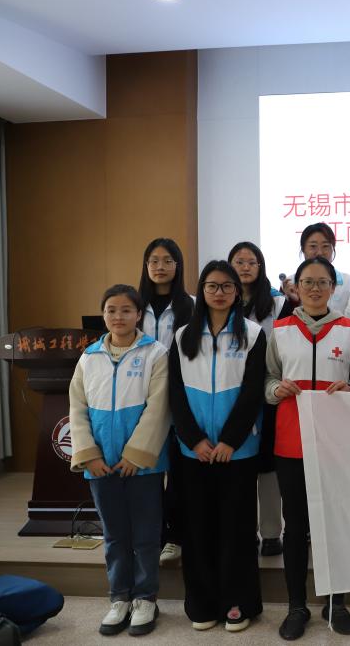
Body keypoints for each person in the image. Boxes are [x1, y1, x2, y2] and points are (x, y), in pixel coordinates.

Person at [265, 256, 350, 640]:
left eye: (322, 282)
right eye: (307, 281)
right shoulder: (280, 330)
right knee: (295, 527)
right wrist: (276, 389)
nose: (314, 288)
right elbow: (268, 379)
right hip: (291, 442)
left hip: (336, 442)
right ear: (296, 286)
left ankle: (336, 603)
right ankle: (297, 606)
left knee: (334, 525)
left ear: (332, 287)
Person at [168, 261, 266, 632]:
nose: (219, 292)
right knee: (197, 527)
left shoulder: (253, 334)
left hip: (237, 451)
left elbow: (253, 392)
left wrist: (229, 441)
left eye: (227, 286)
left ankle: (238, 602)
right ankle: (202, 603)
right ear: (202, 290)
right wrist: (194, 439)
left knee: (236, 528)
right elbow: (175, 393)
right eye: (212, 286)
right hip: (194, 451)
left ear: (237, 292)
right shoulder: (182, 337)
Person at [69, 284, 170, 637]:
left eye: (126, 310)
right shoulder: (89, 357)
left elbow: (159, 408)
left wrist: (135, 455)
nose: (118, 316)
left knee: (145, 535)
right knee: (114, 535)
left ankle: (145, 598)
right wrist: (89, 455)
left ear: (138, 314)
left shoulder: (155, 353)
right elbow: (77, 409)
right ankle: (120, 598)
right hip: (100, 465)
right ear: (103, 314)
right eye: (111, 310)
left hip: (143, 466)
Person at [138, 238, 193, 567]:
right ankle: (152, 535)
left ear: (178, 266)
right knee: (146, 470)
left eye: (167, 260)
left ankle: (175, 537)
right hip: (140, 398)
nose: (160, 267)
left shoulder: (191, 305)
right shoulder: (133, 305)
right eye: (154, 261)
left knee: (178, 470)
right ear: (146, 266)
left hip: (179, 398)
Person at [229, 241, 286, 557]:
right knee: (240, 464)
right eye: (239, 262)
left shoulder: (278, 304)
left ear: (261, 267)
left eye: (252, 262)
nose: (245, 267)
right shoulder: (222, 302)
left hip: (267, 393)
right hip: (233, 392)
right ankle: (245, 529)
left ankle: (272, 532)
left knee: (268, 465)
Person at [282, 223, 350, 314]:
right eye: (313, 246)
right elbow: (284, 320)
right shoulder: (289, 284)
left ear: (333, 248)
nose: (319, 253)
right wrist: (293, 302)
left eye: (325, 246)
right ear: (303, 249)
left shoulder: (349, 283)